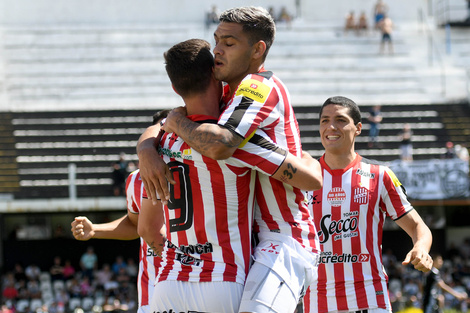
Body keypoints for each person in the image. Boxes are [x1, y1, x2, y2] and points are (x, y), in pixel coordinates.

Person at [138, 7, 323, 313]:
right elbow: (179, 117)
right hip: (249, 245)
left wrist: (172, 127)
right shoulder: (226, 94)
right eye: (216, 40)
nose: (217, 50)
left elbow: (221, 143)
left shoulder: (259, 86)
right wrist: (146, 148)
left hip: (284, 237)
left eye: (229, 43)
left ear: (257, 49)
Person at [303, 96, 434, 313]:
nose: (331, 127)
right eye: (324, 121)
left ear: (359, 128)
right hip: (317, 300)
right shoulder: (303, 178)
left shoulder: (379, 176)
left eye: (341, 120)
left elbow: (418, 227)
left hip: (370, 298)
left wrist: (421, 248)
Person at [71, 110, 168, 313]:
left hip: (198, 280)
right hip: (152, 291)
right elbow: (135, 225)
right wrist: (95, 230)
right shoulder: (135, 180)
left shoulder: (204, 172)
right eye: (159, 131)